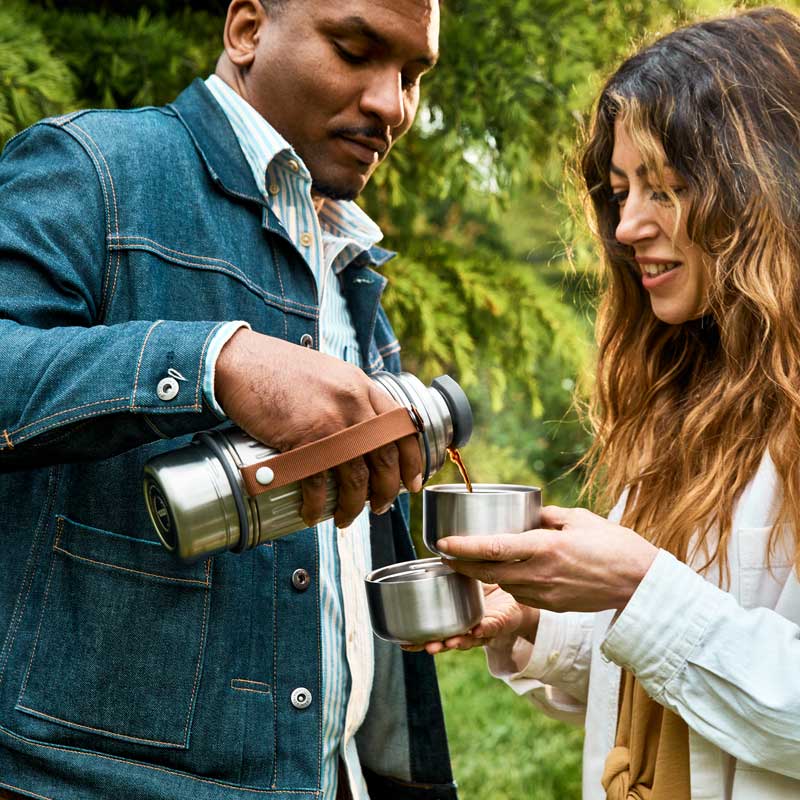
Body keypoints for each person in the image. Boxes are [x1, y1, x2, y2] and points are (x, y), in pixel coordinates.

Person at [0, 1, 457, 799]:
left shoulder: (351, 263)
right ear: (247, 31)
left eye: (413, 76)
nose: (392, 104)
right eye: (356, 51)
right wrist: (216, 361)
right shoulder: (94, 168)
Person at [415, 7, 800, 800]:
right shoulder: (694, 403)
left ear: (763, 185)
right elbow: (666, 678)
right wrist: (536, 617)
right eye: (621, 192)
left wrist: (637, 583)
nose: (626, 227)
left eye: (666, 187)